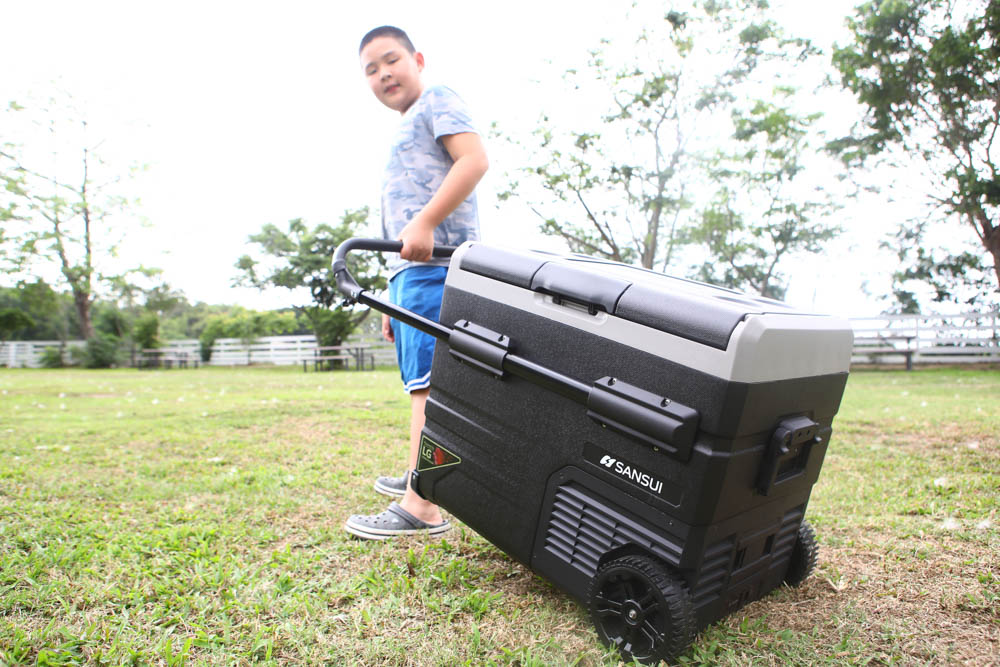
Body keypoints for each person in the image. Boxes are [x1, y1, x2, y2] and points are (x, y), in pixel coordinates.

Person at [344, 26, 489, 540]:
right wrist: (391, 296)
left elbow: (474, 159)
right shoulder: (404, 126)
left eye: (391, 60)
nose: (383, 74)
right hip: (410, 273)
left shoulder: (437, 99)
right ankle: (419, 474)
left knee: (430, 386)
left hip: (437, 264)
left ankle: (422, 503)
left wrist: (426, 222)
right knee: (419, 383)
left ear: (418, 60)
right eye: (371, 69)